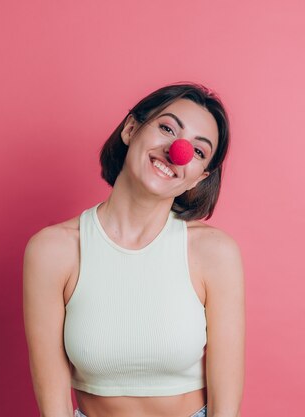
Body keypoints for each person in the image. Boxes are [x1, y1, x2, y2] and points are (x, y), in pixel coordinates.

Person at [23, 83, 245, 417]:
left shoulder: (215, 253)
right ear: (131, 129)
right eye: (167, 128)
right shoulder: (53, 251)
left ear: (199, 178)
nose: (178, 150)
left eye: (198, 152)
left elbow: (226, 406)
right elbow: (53, 405)